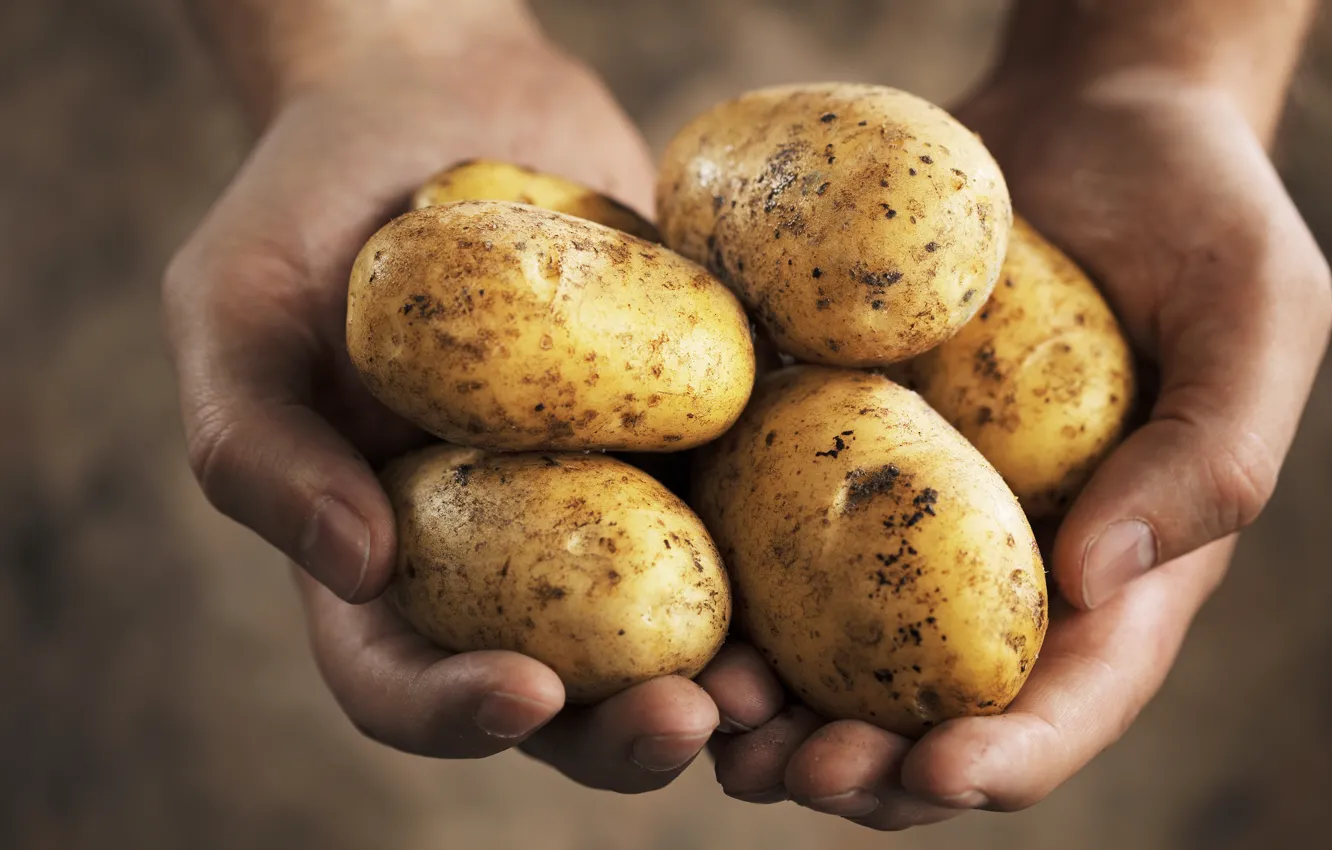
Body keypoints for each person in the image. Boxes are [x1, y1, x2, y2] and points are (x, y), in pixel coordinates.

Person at [162, 0, 1331, 832]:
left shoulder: (794, 326)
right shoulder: (693, 343)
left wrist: (1157, 56)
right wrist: (383, 41)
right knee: (660, 574)